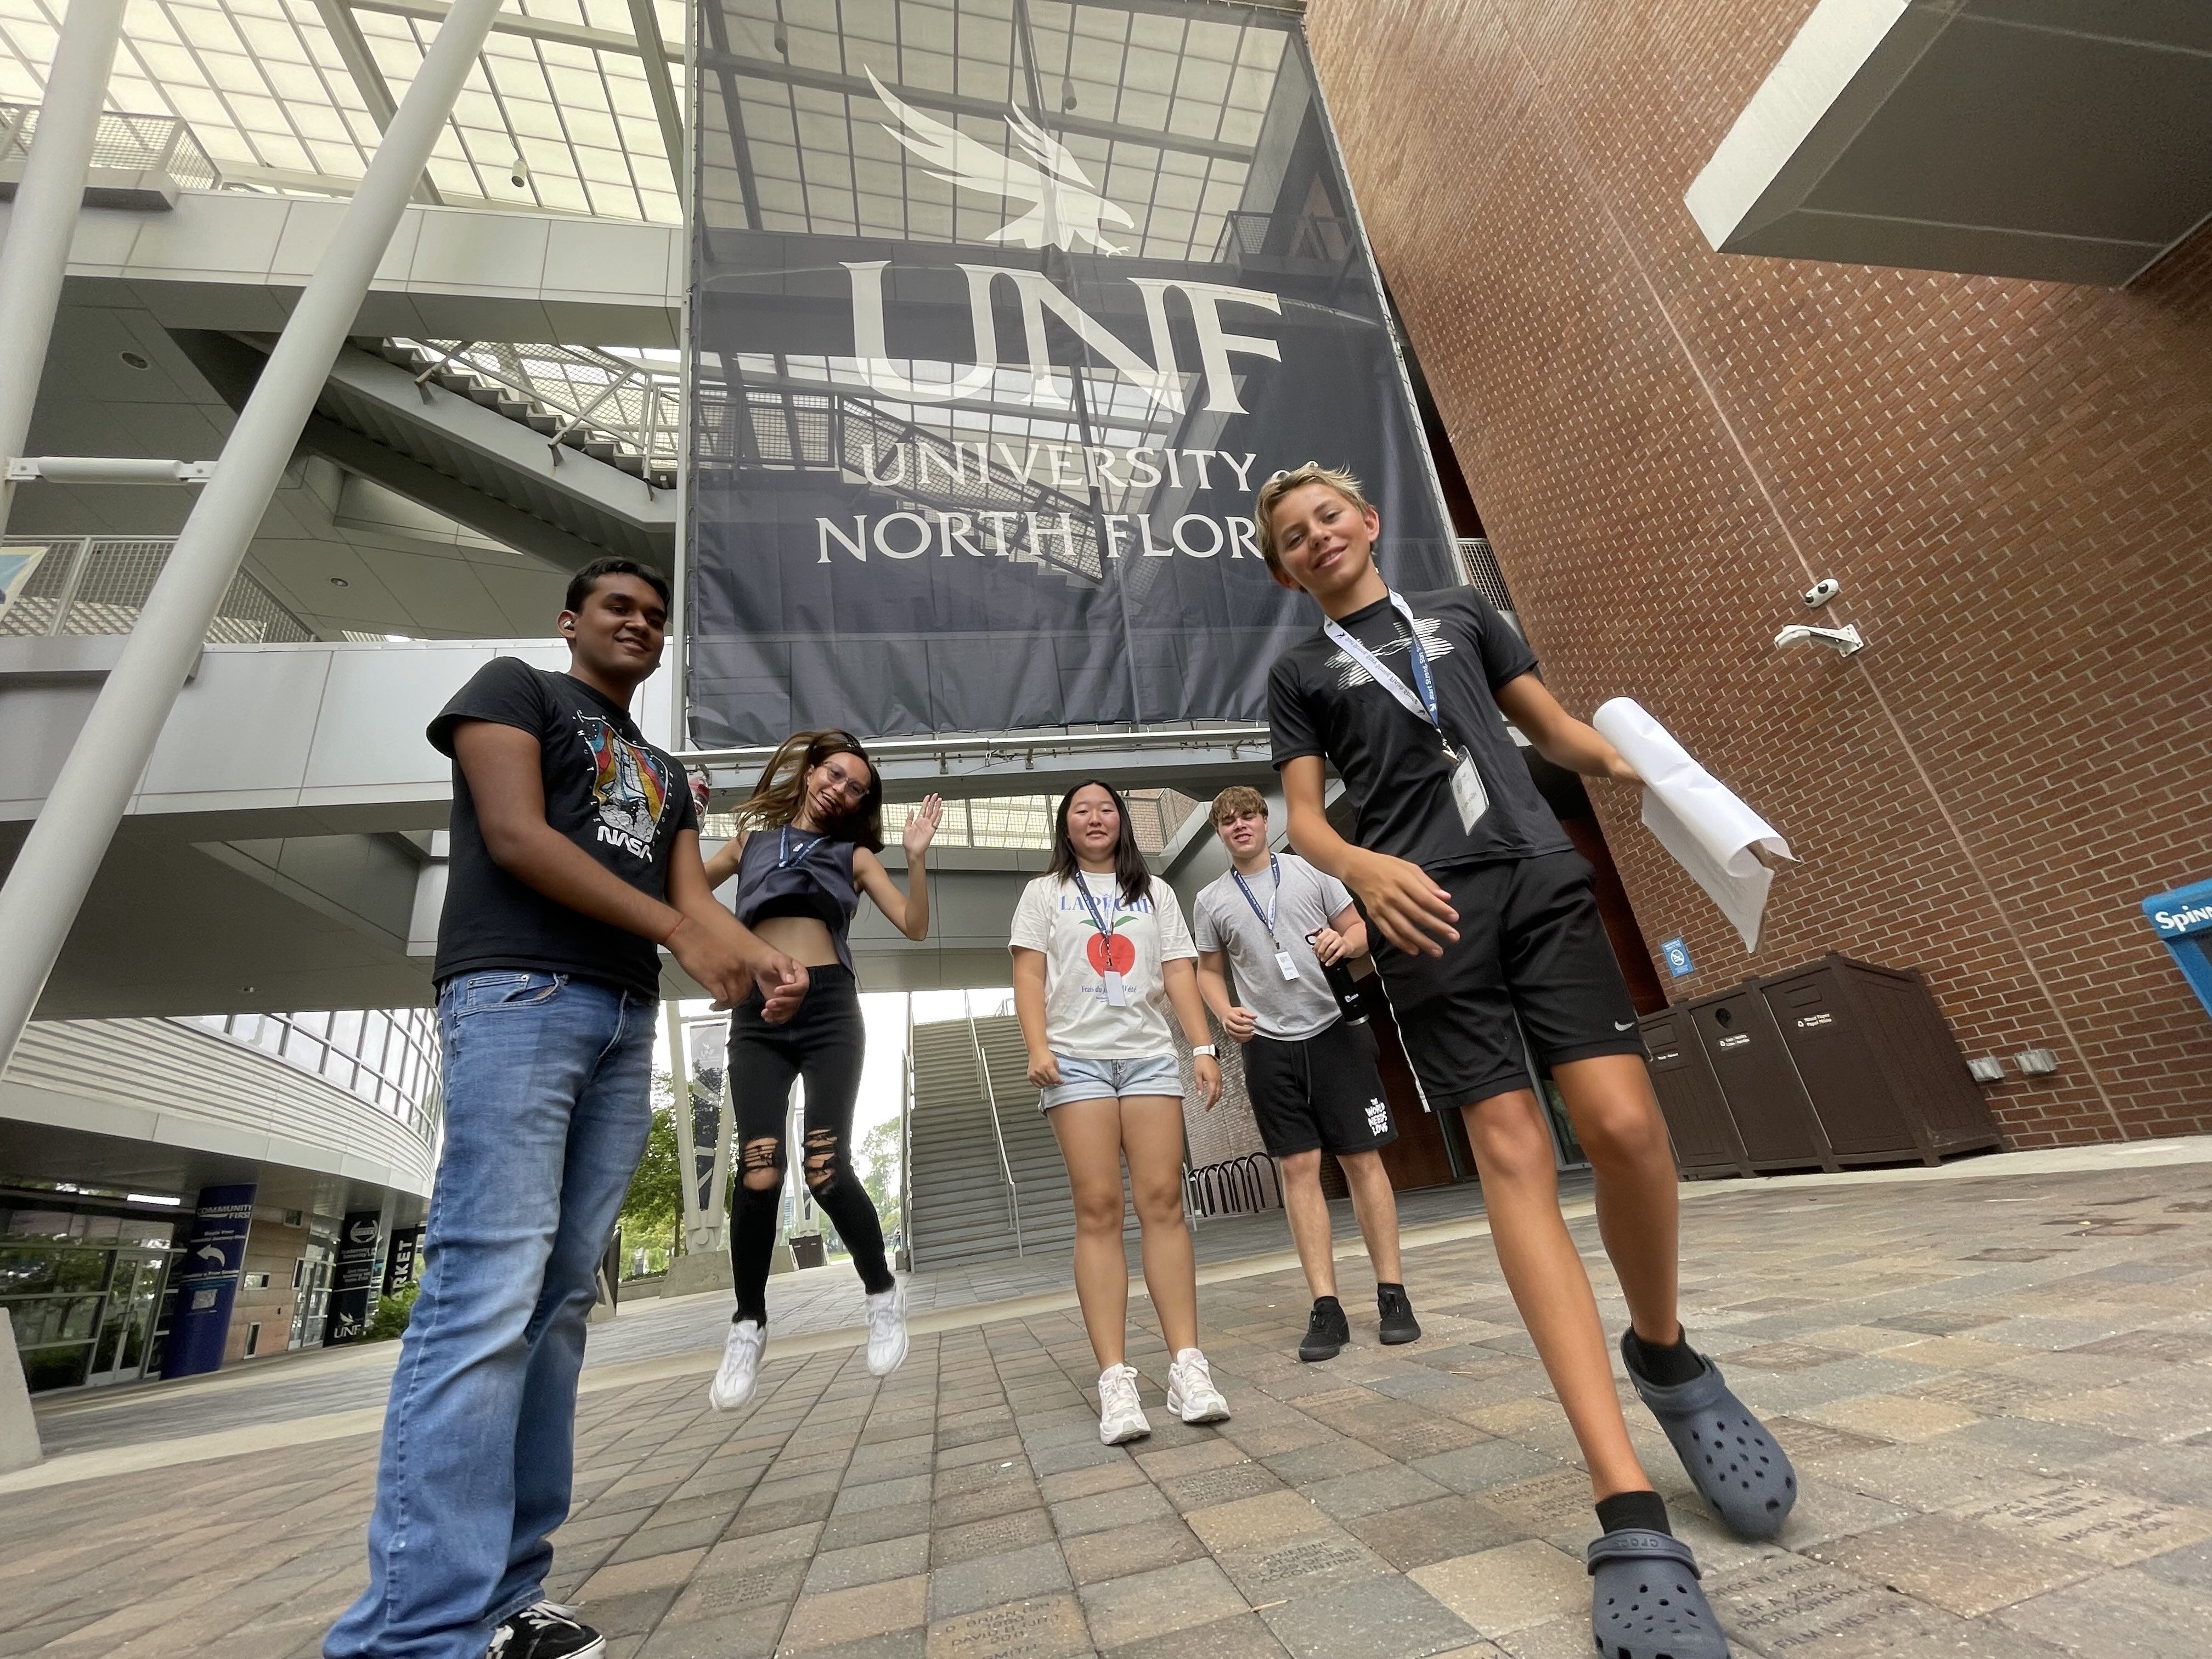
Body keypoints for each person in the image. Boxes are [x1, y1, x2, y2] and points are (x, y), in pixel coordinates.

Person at [1258, 465, 1793, 1659]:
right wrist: (1360, 870)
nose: (1316, 538)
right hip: (1423, 914)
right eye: (1293, 537)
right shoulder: (1297, 678)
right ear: (1286, 567)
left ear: (1367, 522)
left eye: (1328, 516)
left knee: (1626, 1130)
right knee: (1510, 1150)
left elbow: (1549, 727)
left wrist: (1656, 777)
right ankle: (1626, 1504)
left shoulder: (1458, 609)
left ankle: (1665, 1352)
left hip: (1541, 880)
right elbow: (1304, 817)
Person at [327, 558, 806, 1659]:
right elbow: (518, 837)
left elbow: (689, 905)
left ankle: (505, 1597)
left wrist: (762, 964)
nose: (637, 623)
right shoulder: (514, 692)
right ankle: (413, 1632)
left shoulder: (671, 773)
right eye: (617, 608)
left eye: (653, 616)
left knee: (554, 1313)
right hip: (517, 994)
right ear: (571, 622)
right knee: (485, 1291)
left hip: (622, 1019)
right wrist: (686, 934)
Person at [698, 732, 942, 1410]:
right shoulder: (749, 842)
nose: (842, 788)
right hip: (758, 1012)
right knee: (759, 1167)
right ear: (810, 774)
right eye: (834, 774)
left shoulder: (854, 856)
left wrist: (916, 860)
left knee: (826, 1170)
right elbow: (686, 888)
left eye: (857, 787)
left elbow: (914, 926)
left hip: (832, 1010)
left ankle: (881, 1292)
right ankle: (748, 1324)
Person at [1010, 780, 1231, 1444]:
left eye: (1107, 808)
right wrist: (1036, 1046)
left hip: (1147, 1059)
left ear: (1123, 822)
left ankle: (1188, 1366)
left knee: (1163, 1200)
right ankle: (1115, 1379)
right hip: (1074, 1061)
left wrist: (1202, 1046)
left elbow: (1180, 973)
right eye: (1082, 810)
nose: (1096, 818)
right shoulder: (1044, 893)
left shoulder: (1155, 893)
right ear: (1065, 825)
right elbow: (1027, 974)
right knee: (1099, 1207)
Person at [1192, 786, 1419, 1361]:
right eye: (1227, 821)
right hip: (1268, 1045)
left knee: (1363, 1160)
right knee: (1298, 1168)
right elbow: (1209, 973)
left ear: (1266, 820)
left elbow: (1360, 929)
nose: (1239, 826)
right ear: (1219, 833)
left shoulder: (1311, 873)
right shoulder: (1212, 900)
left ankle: (1393, 1295)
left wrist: (1346, 939)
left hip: (1334, 1031)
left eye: (1248, 815)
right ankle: (1326, 1306)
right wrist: (1224, 1013)